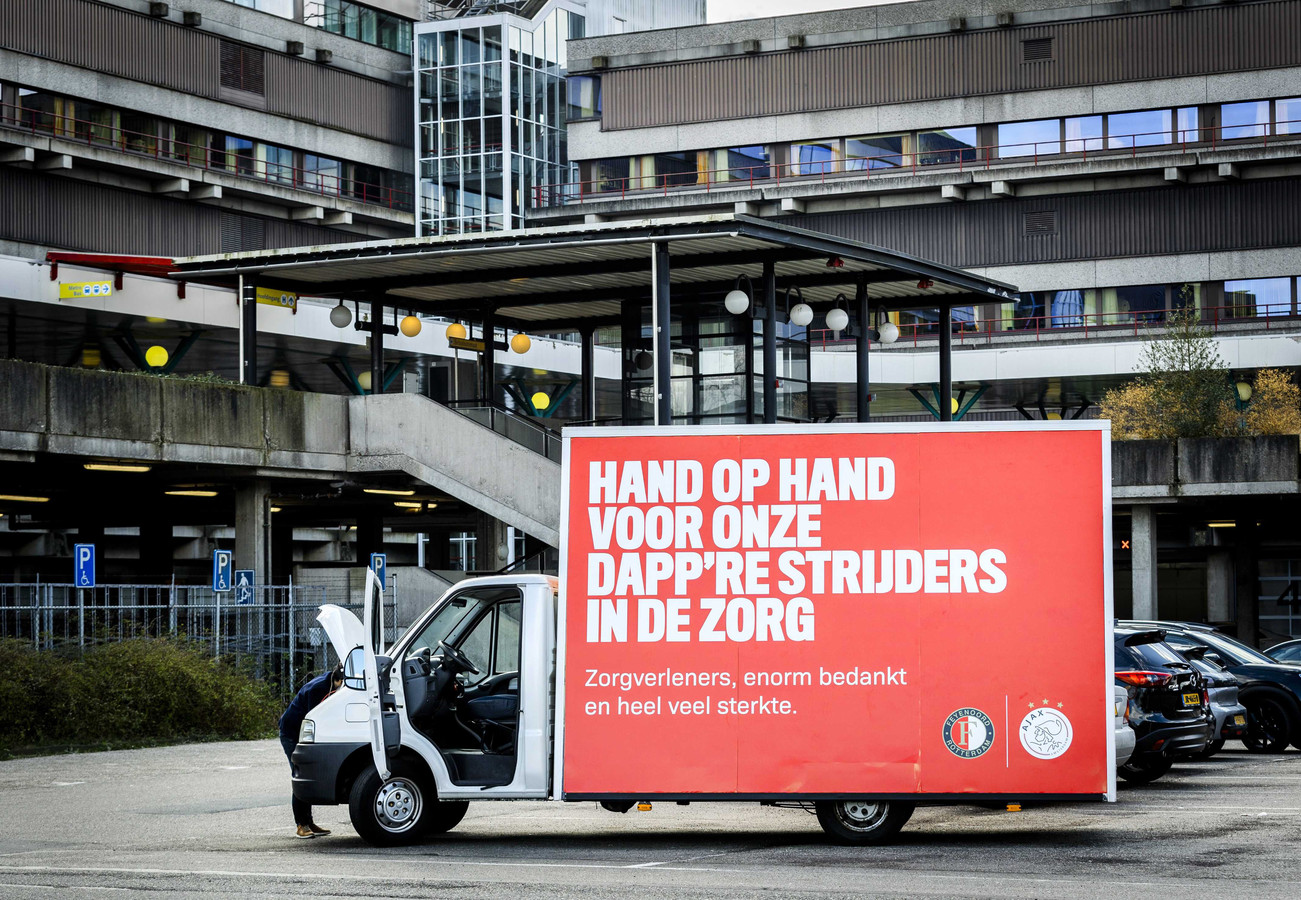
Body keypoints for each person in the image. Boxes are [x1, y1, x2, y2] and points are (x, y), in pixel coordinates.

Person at [279, 665, 343, 839]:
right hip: (291, 734)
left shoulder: (329, 682)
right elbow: (314, 718)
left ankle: (309, 822)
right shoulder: (319, 689)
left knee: (306, 775)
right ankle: (301, 825)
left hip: (299, 732)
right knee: (301, 775)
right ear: (339, 680)